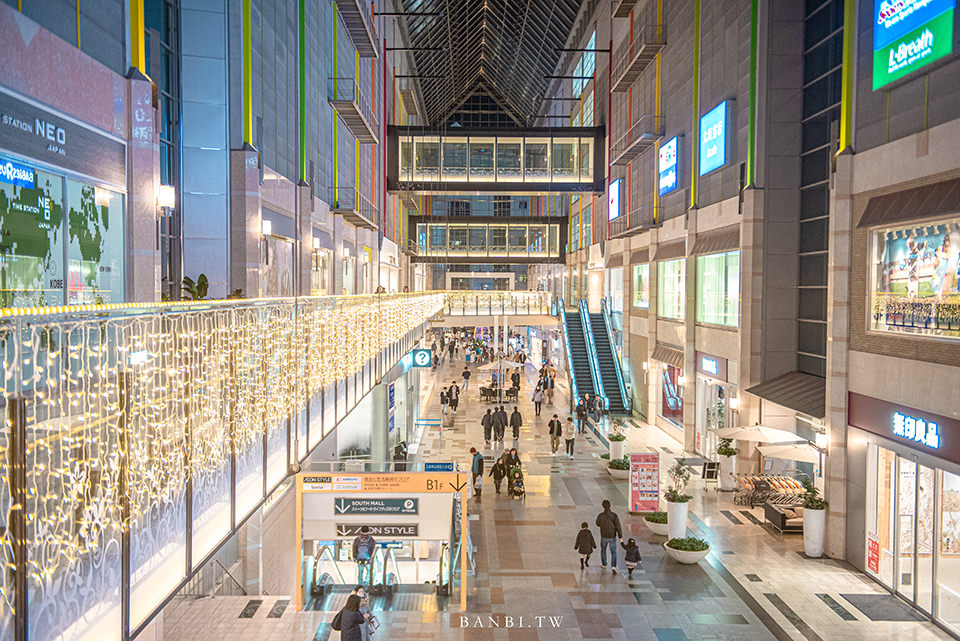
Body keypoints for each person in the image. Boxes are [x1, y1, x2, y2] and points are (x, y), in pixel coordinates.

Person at [595, 499, 623, 573]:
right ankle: (613, 566)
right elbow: (618, 526)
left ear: (603, 506)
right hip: (612, 536)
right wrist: (620, 536)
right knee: (613, 551)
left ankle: (604, 564)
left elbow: (597, 523)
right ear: (610, 506)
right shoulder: (614, 515)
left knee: (603, 550)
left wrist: (603, 525)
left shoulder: (601, 515)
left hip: (604, 535)